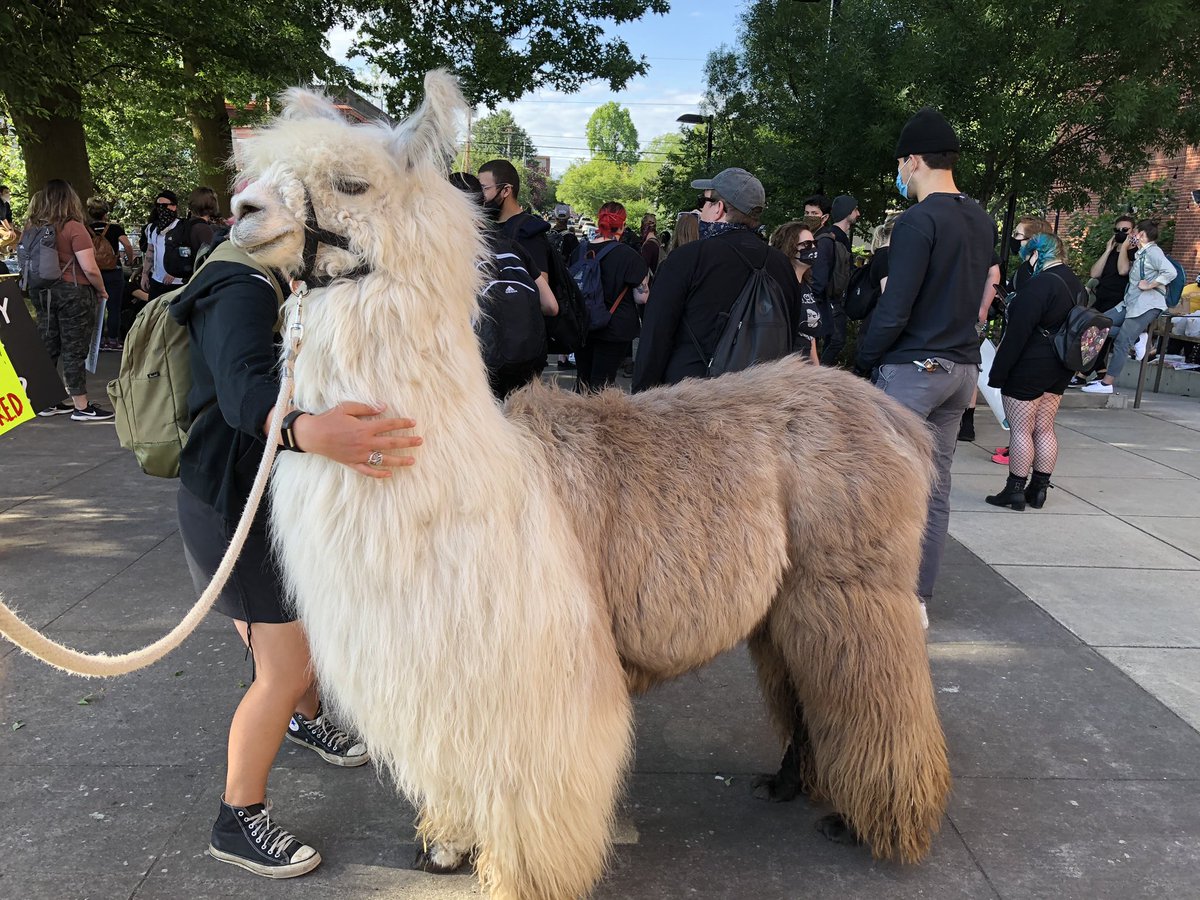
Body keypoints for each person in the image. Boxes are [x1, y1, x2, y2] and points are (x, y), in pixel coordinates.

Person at [170, 235, 424, 878]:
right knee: (281, 667)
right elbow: (240, 390)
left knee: (297, 640)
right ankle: (238, 816)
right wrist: (313, 432)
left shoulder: (272, 277)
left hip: (255, 499)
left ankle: (305, 719)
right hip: (235, 507)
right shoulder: (241, 283)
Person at [853, 108, 996, 628]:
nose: (901, 173)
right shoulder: (981, 217)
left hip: (913, 371)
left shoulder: (918, 221)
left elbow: (897, 306)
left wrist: (863, 359)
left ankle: (880, 599)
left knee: (883, 491)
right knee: (934, 492)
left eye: (901, 164)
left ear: (913, 160)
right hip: (960, 370)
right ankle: (916, 601)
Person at [633, 168, 805, 391]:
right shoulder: (782, 264)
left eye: (704, 201)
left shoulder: (687, 258)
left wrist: (641, 398)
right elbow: (789, 336)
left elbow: (655, 338)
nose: (700, 208)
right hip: (759, 401)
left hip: (690, 401)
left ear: (719, 209)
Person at [984, 233, 1078, 510]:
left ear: (1038, 254)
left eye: (1029, 254)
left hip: (1031, 364)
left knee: (1021, 431)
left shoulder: (1040, 286)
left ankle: (1014, 489)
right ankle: (1038, 490)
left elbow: (1016, 335)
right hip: (1061, 364)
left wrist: (998, 374)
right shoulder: (1074, 283)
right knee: (1045, 428)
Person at [449, 172, 558, 398]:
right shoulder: (512, 246)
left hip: (478, 369)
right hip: (528, 365)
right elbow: (551, 306)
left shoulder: (450, 253)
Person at [26, 180, 115, 422]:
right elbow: (90, 267)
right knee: (74, 348)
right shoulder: (74, 227)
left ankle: (46, 401)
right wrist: (102, 290)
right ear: (70, 199)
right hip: (73, 292)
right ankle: (82, 406)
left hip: (42, 292)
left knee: (48, 345)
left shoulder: (33, 227)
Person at [1083, 220, 1175, 395]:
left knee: (1121, 341)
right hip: (1129, 302)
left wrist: (1150, 285)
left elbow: (1170, 272)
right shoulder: (1142, 253)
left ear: (1140, 234)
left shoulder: (1154, 252)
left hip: (1145, 305)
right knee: (1097, 323)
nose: (1129, 235)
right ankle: (1138, 338)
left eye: (1133, 232)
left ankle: (1107, 383)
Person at [574, 202, 648, 391]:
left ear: (599, 222)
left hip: (583, 325)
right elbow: (642, 298)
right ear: (622, 225)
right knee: (602, 383)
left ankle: (577, 416)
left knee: (583, 378)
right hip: (614, 328)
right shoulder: (629, 256)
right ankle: (597, 419)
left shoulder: (580, 251)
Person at [1070, 215, 1136, 386]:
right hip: (1101, 298)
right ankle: (1100, 371)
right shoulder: (1111, 251)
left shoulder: (1133, 253)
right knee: (1090, 331)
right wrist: (1108, 250)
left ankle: (1083, 374)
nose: (1120, 233)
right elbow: (1094, 273)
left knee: (1101, 334)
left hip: (1119, 301)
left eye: (1125, 230)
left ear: (1133, 232)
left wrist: (1125, 246)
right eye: (1117, 230)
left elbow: (1123, 271)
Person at [767, 220, 825, 361]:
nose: (813, 249)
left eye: (814, 244)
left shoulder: (806, 286)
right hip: (785, 371)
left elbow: (810, 336)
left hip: (803, 371)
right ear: (789, 247)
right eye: (806, 244)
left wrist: (817, 374)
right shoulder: (778, 288)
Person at [814, 194, 859, 365]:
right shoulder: (833, 238)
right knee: (835, 340)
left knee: (831, 341)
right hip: (830, 298)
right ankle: (819, 375)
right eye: (855, 209)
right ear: (846, 211)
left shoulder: (838, 236)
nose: (858, 213)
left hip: (832, 298)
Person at [86, 197, 137, 350]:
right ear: (105, 213)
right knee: (114, 307)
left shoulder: (85, 229)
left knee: (95, 306)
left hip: (93, 272)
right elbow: (127, 244)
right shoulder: (115, 229)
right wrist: (129, 259)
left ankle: (97, 340)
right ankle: (113, 339)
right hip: (113, 271)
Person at [141, 190, 181, 299]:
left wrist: (174, 272)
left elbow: (185, 252)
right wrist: (145, 274)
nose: (161, 209)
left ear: (174, 206)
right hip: (156, 280)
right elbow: (150, 250)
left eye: (164, 205)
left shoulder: (182, 227)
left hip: (177, 283)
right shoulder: (152, 228)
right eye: (158, 206)